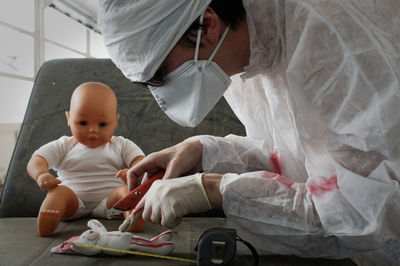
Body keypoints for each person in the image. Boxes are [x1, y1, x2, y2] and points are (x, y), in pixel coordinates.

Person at [98, 0, 400, 264]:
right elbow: (289, 157)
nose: (163, 94)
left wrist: (217, 189)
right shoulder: (243, 50)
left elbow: (373, 211)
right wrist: (205, 153)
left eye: (163, 75)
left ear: (207, 24)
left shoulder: (330, 37)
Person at [27, 82, 145, 237]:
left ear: (115, 121)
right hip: (73, 201)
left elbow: (142, 162)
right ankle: (50, 216)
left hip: (110, 203)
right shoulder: (64, 145)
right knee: (58, 192)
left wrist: (133, 171)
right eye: (83, 123)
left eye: (102, 124)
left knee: (125, 191)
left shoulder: (121, 145)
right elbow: (37, 159)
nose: (93, 130)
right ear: (69, 118)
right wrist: (41, 174)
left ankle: (131, 215)